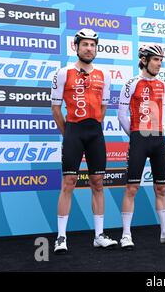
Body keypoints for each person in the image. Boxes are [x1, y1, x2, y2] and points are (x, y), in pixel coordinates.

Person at [51, 28, 117, 254]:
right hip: (73, 131)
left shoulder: (104, 74)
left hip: (95, 133)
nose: (89, 48)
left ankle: (99, 235)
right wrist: (67, 133)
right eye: (85, 44)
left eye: (93, 45)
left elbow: (104, 107)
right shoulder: (63, 73)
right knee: (68, 183)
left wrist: (94, 127)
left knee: (98, 182)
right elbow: (55, 108)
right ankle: (61, 237)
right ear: (76, 47)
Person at [118, 43, 165, 250]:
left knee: (162, 187)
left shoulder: (163, 84)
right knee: (132, 187)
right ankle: (126, 235)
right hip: (140, 137)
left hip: (158, 139)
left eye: (161, 60)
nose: (159, 64)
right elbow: (121, 115)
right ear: (144, 60)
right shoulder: (131, 83)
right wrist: (136, 135)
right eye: (156, 59)